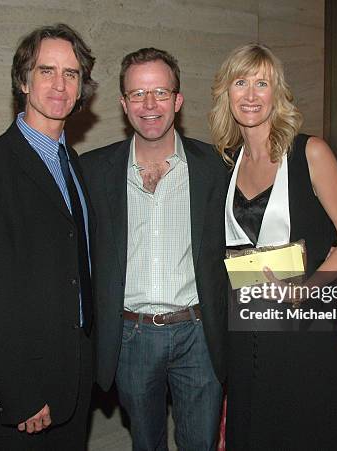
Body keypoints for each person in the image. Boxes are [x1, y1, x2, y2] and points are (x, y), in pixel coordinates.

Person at [209, 43, 337, 450]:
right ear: (226, 93)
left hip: (304, 332)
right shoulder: (226, 163)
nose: (251, 94)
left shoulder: (311, 152)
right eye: (240, 82)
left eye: (262, 83)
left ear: (277, 93)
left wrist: (308, 289)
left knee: (304, 430)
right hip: (246, 337)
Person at [0, 24, 97, 450]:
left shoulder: (73, 164)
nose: (59, 84)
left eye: (71, 74)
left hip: (72, 379)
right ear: (22, 80)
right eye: (46, 70)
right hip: (22, 398)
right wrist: (20, 395)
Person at [80, 48, 228, 451]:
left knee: (200, 444)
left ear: (178, 101)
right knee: (146, 444)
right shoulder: (92, 172)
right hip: (131, 336)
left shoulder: (215, 167)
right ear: (123, 104)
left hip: (199, 333)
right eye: (138, 94)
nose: (150, 105)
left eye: (160, 93)